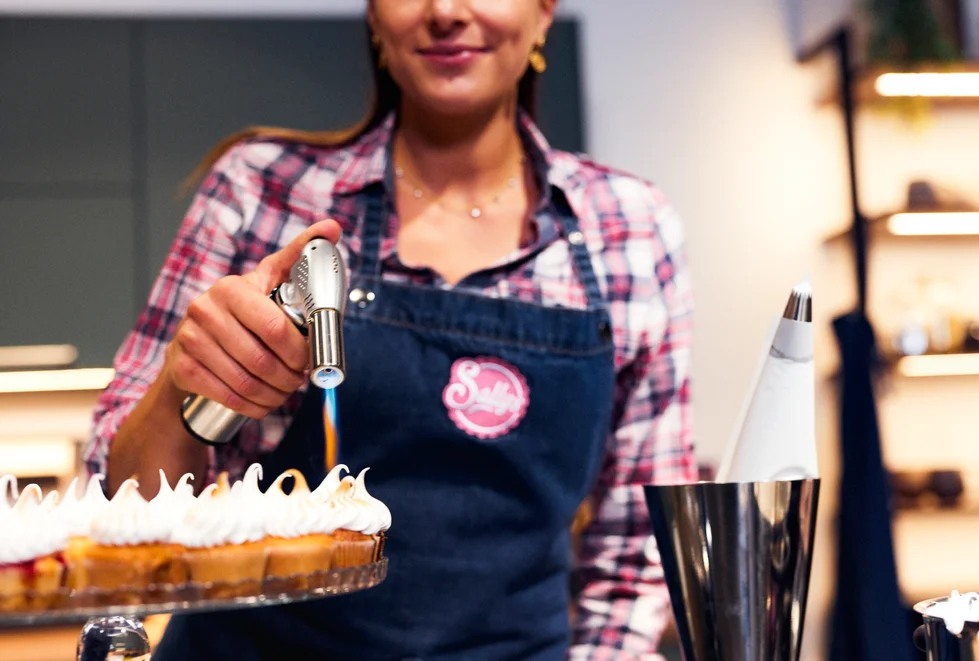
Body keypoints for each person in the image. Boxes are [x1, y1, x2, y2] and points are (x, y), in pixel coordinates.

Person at [83, 1, 697, 659]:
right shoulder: (265, 193)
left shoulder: (628, 226)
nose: (445, 12)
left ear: (544, 11)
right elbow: (123, 513)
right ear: (374, 16)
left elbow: (637, 547)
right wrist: (185, 387)